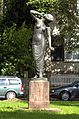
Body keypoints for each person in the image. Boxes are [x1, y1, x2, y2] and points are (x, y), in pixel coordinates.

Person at [30, 10, 54, 78]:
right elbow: (31, 12)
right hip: (34, 42)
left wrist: (50, 45)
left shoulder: (47, 27)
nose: (49, 22)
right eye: (49, 21)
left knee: (41, 58)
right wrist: (40, 13)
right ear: (46, 18)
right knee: (35, 58)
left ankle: (40, 73)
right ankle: (37, 73)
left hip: (42, 42)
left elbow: (49, 36)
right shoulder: (38, 20)